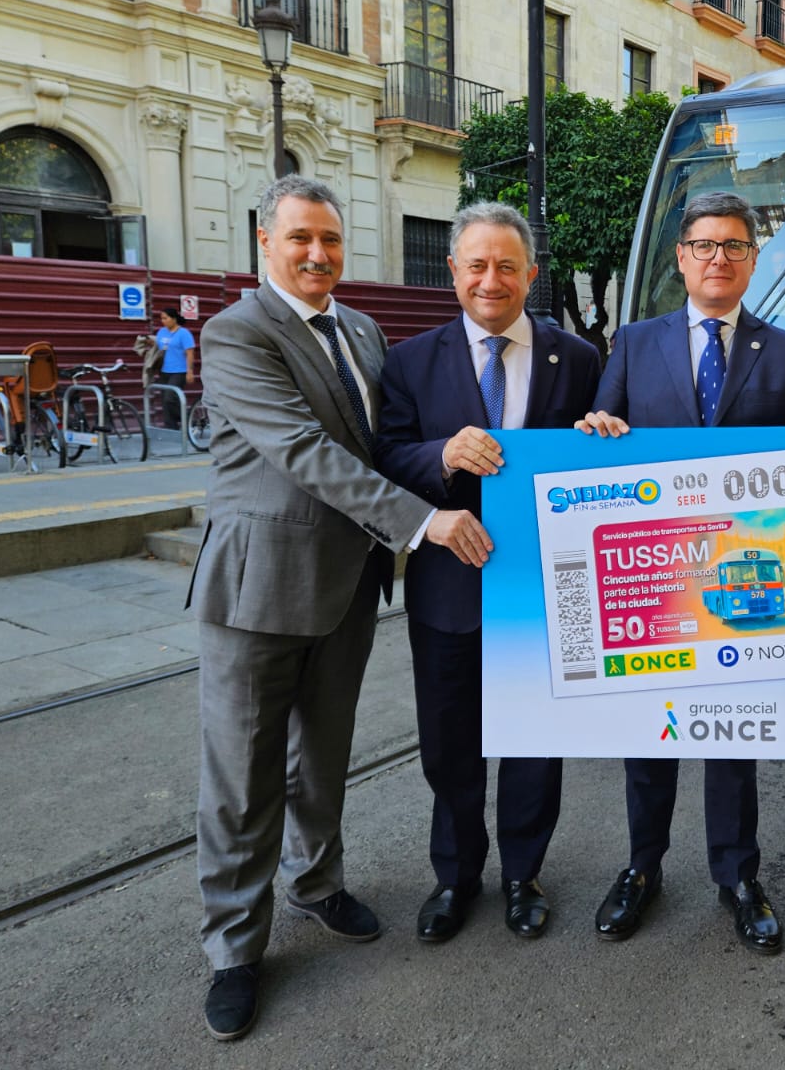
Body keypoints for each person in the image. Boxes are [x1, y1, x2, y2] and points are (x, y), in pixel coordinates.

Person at [188, 175, 487, 1042]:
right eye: (299, 241)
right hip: (257, 589)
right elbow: (303, 451)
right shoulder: (237, 332)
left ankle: (315, 887)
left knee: (323, 758)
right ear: (264, 244)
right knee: (241, 778)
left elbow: (386, 443)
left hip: (348, 584)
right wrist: (425, 520)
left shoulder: (358, 330)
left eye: (329, 240)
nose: (317, 255)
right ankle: (235, 949)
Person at [577, 190, 785, 955]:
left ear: (754, 262)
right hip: (655, 580)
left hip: (740, 587)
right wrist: (597, 428)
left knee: (731, 740)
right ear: (681, 259)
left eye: (734, 246)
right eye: (704, 246)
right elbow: (601, 430)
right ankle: (641, 869)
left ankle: (738, 876)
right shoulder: (632, 343)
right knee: (649, 735)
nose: (718, 258)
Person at [376, 202, 601, 944]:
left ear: (530, 273)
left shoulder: (580, 359)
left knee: (537, 740)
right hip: (449, 588)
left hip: (547, 591)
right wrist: (441, 456)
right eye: (476, 264)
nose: (491, 279)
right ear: (453, 271)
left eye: (507, 265)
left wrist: (604, 433)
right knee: (449, 743)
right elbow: (385, 457)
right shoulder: (410, 360)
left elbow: (609, 462)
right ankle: (455, 876)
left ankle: (523, 874)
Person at [151, 307, 196, 427]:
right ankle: (171, 426)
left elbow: (190, 353)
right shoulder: (161, 332)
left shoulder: (184, 333)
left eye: (166, 318)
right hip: (164, 371)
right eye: (161, 318)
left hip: (179, 371)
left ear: (174, 319)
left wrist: (190, 371)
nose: (163, 321)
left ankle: (189, 419)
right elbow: (158, 347)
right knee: (165, 400)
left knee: (170, 398)